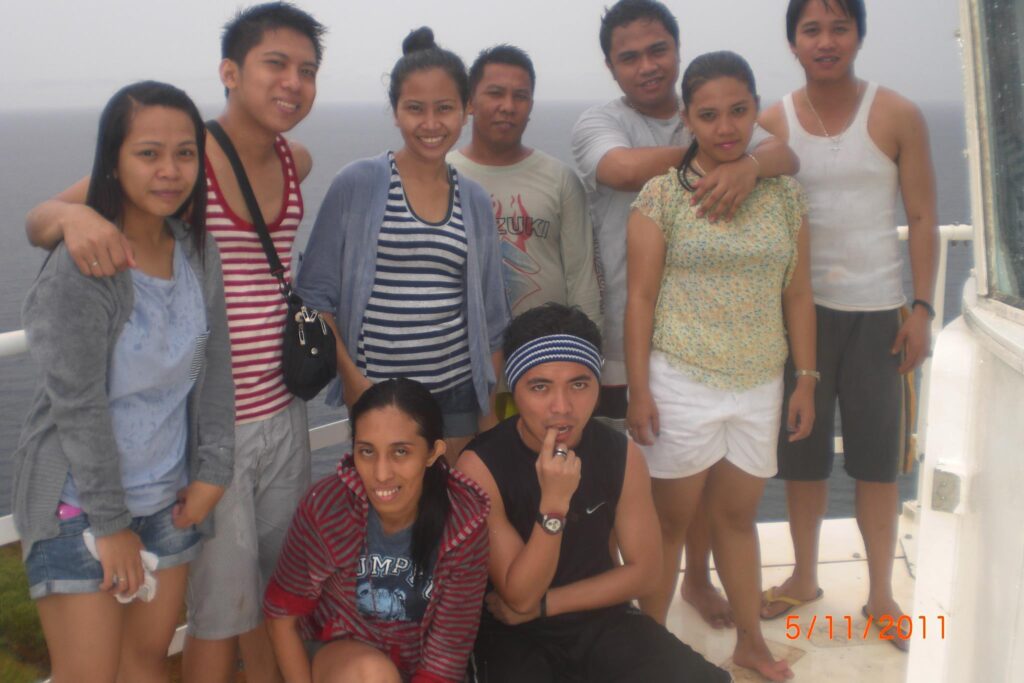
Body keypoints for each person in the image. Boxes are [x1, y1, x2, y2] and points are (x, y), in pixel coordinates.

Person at [24, 4, 327, 680]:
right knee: (218, 610)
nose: (293, 82)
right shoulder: (191, 158)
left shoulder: (294, 159)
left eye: (307, 70)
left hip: (279, 409)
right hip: (208, 427)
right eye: (275, 64)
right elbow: (44, 215)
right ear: (230, 72)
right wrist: (72, 218)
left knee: (274, 587)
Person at [570, 0, 799, 628]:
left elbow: (787, 157)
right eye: (629, 57)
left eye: (657, 50)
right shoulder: (601, 122)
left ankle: (696, 581)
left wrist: (748, 159)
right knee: (628, 491)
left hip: (702, 341)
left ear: (677, 48)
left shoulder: (714, 108)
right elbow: (619, 168)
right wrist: (725, 155)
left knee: (697, 481)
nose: (647, 65)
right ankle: (625, 611)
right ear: (611, 66)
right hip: (625, 333)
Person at [13, 81, 234, 683]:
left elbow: (214, 366)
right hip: (78, 506)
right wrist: (110, 526)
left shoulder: (197, 251)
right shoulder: (85, 260)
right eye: (148, 153)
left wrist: (214, 470)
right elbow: (78, 404)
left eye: (185, 153)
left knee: (144, 666)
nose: (170, 171)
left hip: (167, 499)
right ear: (112, 161)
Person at [625, 51, 816, 682]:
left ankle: (751, 644)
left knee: (737, 518)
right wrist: (640, 391)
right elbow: (640, 298)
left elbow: (798, 293)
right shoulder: (662, 196)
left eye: (739, 111)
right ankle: (650, 652)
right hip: (682, 379)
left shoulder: (783, 196)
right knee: (670, 523)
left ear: (756, 109)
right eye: (708, 115)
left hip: (760, 381)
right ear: (688, 119)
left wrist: (806, 379)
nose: (726, 126)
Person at [757, 0, 938, 648]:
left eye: (839, 27)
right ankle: (804, 575)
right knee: (802, 458)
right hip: (798, 314)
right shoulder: (772, 122)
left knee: (877, 463)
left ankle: (882, 593)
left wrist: (923, 309)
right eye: (811, 29)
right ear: (793, 42)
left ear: (859, 34)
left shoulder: (896, 114)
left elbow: (922, 216)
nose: (826, 40)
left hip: (878, 313)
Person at [456, 304, 730, 683]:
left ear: (598, 388)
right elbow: (519, 596)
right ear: (514, 391)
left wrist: (548, 605)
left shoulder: (620, 454)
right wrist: (553, 506)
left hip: (599, 617)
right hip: (513, 631)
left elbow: (646, 573)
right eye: (540, 387)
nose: (562, 407)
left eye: (579, 384)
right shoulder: (480, 465)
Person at [296, 27, 510, 464]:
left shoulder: (473, 200)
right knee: (388, 503)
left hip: (456, 395)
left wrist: (488, 412)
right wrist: (353, 382)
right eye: (415, 108)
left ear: (466, 110)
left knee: (452, 503)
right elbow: (314, 296)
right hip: (378, 392)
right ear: (395, 112)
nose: (430, 124)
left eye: (444, 108)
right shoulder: (357, 184)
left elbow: (492, 318)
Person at [263, 378, 490, 683]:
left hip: (426, 668)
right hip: (343, 661)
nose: (381, 474)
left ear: (433, 452)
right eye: (367, 452)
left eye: (400, 452)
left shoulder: (464, 522)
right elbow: (283, 615)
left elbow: (447, 654)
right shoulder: (328, 507)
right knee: (373, 674)